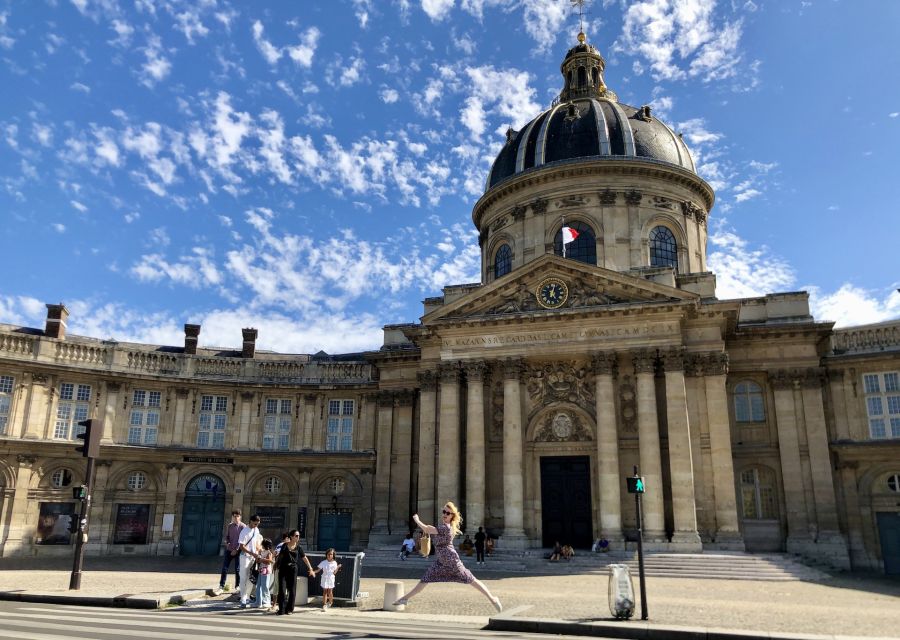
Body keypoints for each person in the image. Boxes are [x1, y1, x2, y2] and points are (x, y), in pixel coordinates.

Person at [392, 501, 502, 612]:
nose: (445, 514)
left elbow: (427, 529)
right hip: (441, 561)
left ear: (452, 515)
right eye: (444, 511)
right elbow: (430, 529)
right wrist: (428, 527)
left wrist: (417, 520)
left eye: (448, 513)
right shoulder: (444, 526)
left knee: (472, 580)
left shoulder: (447, 528)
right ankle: (404, 598)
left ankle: (493, 599)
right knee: (424, 580)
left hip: (451, 560)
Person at [275, 529, 315, 615]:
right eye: (296, 536)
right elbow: (280, 557)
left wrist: (310, 568)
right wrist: (275, 566)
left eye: (299, 536)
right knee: (282, 589)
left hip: (293, 569)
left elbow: (304, 558)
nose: (298, 537)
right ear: (291, 537)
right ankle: (281, 609)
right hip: (283, 569)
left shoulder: (299, 547)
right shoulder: (284, 546)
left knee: (292, 590)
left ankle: (289, 609)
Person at [237, 514, 262, 607]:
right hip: (245, 557)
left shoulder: (256, 530)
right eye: (255, 524)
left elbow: (257, 543)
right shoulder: (244, 531)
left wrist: (259, 551)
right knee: (243, 577)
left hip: (253, 557)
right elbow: (241, 546)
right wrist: (252, 553)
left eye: (257, 524)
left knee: (252, 577)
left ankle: (247, 596)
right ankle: (243, 599)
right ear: (251, 521)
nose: (256, 526)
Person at [218, 509, 244, 593]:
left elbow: (243, 540)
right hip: (229, 550)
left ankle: (237, 586)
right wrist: (228, 544)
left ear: (240, 517)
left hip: (238, 551)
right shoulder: (230, 526)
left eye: (237, 516)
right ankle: (221, 585)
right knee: (224, 568)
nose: (236, 518)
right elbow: (227, 537)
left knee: (237, 569)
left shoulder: (243, 527)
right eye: (234, 516)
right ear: (232, 517)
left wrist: (236, 550)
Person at [269, 531, 290, 609]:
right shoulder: (282, 545)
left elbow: (274, 555)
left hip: (281, 568)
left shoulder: (285, 545)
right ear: (286, 538)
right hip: (281, 568)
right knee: (279, 586)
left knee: (277, 586)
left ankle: (275, 605)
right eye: (289, 538)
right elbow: (275, 554)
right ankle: (277, 604)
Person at [255, 538, 275, 609]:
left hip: (266, 570)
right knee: (258, 586)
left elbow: (269, 561)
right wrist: (258, 558)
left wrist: (261, 559)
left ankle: (266, 602)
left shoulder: (269, 552)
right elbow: (258, 561)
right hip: (261, 569)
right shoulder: (261, 552)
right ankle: (258, 602)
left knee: (265, 586)